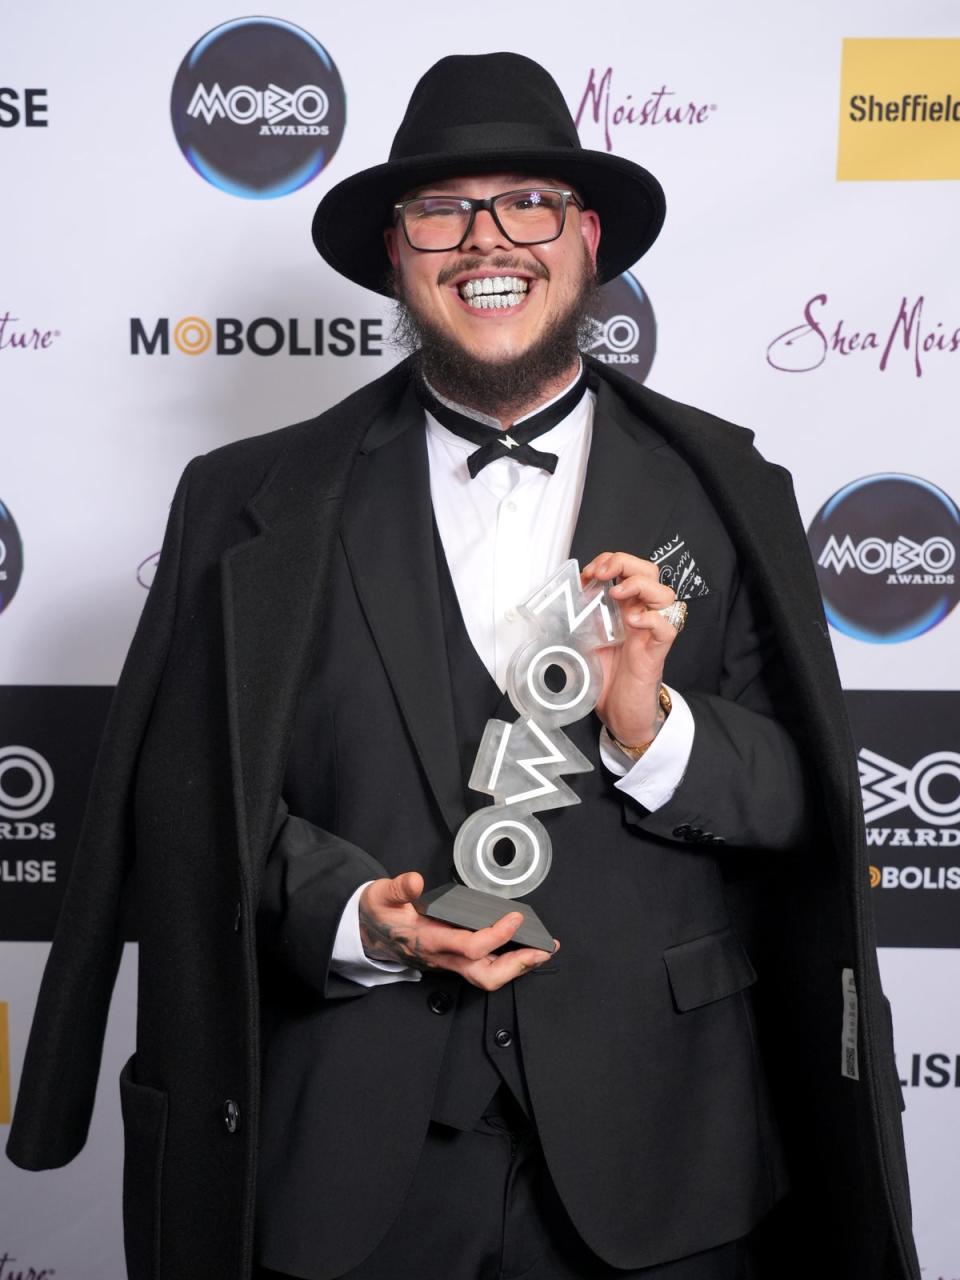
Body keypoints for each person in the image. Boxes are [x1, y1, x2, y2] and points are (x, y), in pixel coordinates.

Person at [7, 52, 918, 1280]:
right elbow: (192, 804)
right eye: (443, 209)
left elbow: (801, 799)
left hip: (665, 1166)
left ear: (587, 237)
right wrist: (354, 914)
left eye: (528, 203)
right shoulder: (248, 503)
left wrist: (653, 724)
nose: (487, 239)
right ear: (396, 251)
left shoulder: (726, 489)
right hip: (342, 1172)